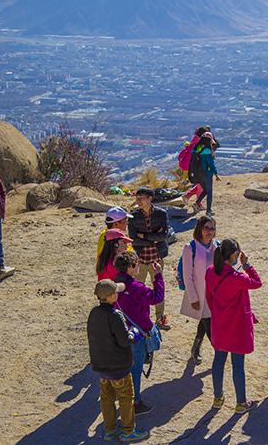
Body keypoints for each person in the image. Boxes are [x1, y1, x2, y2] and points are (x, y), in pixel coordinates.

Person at [87, 279, 148, 442]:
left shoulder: (94, 313)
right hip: (119, 367)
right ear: (111, 296)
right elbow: (124, 340)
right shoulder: (115, 315)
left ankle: (110, 430)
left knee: (106, 399)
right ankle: (128, 431)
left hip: (101, 367)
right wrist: (133, 333)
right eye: (115, 292)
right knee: (126, 399)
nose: (117, 294)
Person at [205, 238, 262, 414]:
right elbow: (257, 282)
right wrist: (247, 265)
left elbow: (209, 298)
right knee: (238, 365)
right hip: (237, 327)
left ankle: (217, 397)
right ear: (235, 255)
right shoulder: (237, 278)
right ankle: (241, 403)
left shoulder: (210, 271)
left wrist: (217, 314)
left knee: (218, 360)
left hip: (220, 324)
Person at [113, 251, 165, 416]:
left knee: (124, 369)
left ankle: (124, 396)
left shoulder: (113, 285)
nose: (139, 265)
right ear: (129, 267)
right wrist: (158, 276)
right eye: (136, 263)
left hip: (120, 334)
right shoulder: (136, 288)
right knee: (135, 370)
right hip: (136, 335)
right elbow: (157, 297)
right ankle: (135, 403)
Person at [129, 187, 171, 330]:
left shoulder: (161, 214)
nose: (138, 201)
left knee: (158, 288)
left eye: (141, 198)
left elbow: (164, 236)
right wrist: (153, 239)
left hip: (156, 259)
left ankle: (160, 317)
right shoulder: (133, 216)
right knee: (136, 290)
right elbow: (133, 239)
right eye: (137, 198)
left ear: (150, 199)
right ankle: (136, 317)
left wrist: (144, 236)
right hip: (140, 260)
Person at [180, 216, 219, 365]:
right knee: (208, 323)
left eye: (212, 228)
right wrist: (193, 298)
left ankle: (195, 348)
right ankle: (219, 353)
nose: (209, 232)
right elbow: (187, 275)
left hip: (214, 293)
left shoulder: (217, 245)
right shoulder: (190, 247)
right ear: (199, 229)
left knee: (205, 320)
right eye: (206, 228)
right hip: (200, 294)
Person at [194, 133, 220, 216]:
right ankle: (209, 210)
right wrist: (216, 173)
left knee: (205, 190)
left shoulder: (196, 149)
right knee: (209, 192)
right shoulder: (207, 150)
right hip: (207, 174)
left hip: (198, 174)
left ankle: (197, 203)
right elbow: (211, 163)